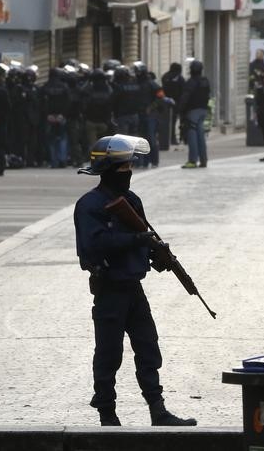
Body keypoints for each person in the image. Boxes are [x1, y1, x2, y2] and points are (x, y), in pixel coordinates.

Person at [74, 134, 198, 428]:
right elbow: (93, 246)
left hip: (133, 288)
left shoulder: (130, 201)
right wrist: (136, 240)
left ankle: (158, 410)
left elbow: (143, 238)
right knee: (109, 354)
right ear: (106, 170)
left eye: (130, 166)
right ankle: (107, 413)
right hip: (110, 290)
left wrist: (156, 256)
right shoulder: (89, 205)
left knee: (148, 348)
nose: (128, 173)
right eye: (122, 168)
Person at [179, 60, 211, 168]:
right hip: (203, 110)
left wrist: (181, 110)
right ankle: (203, 160)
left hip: (192, 112)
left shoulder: (191, 82)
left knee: (192, 136)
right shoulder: (205, 81)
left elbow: (185, 98)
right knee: (201, 136)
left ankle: (192, 160)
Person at [161, 63, 184, 146]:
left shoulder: (165, 76)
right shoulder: (179, 78)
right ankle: (173, 139)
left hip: (165, 102)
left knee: (166, 122)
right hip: (176, 103)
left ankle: (166, 138)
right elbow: (182, 91)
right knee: (173, 122)